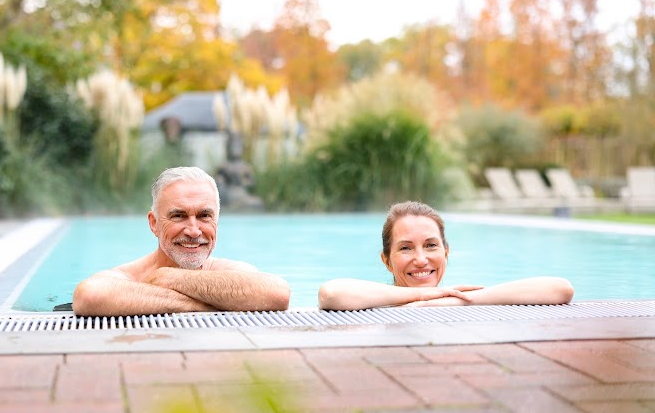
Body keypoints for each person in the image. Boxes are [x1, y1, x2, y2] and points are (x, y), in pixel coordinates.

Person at [72, 166, 290, 316]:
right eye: (179, 216)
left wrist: (170, 278)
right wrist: (216, 303)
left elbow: (277, 293)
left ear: (217, 221)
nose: (194, 231)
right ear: (154, 223)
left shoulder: (228, 268)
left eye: (204, 216)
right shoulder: (129, 275)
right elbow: (89, 296)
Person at [318, 200, 574, 310]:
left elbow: (561, 289)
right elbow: (330, 294)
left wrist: (453, 301)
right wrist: (420, 295)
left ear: (446, 252)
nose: (420, 259)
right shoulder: (371, 302)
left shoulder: (458, 299)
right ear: (386, 260)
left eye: (431, 245)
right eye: (406, 248)